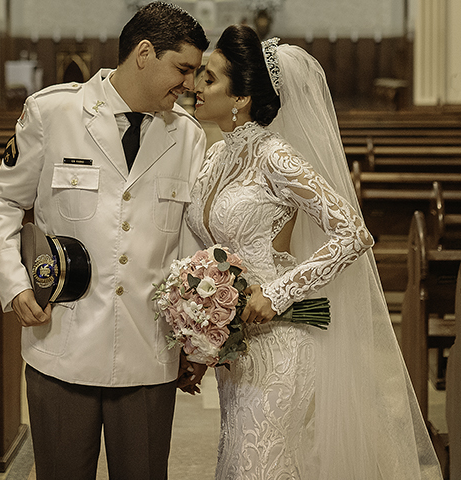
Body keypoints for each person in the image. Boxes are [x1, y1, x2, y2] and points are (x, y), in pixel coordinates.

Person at [186, 24, 443, 479]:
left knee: (258, 468)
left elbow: (353, 234)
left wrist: (278, 292)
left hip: (278, 342)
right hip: (235, 347)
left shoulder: (275, 156)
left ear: (241, 96)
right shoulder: (214, 158)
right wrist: (199, 329)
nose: (196, 86)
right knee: (237, 462)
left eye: (209, 78)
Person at [0, 1, 210, 480]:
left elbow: (189, 245)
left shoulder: (188, 137)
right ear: (144, 54)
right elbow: (1, 201)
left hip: (149, 352)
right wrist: (14, 285)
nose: (190, 84)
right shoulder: (54, 112)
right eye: (183, 69)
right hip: (62, 345)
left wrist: (194, 338)